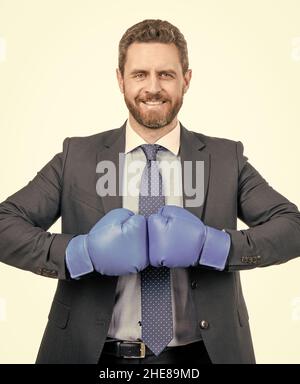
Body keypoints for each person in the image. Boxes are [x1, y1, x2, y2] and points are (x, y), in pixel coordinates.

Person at [0, 19, 300, 365]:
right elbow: (6, 224)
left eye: (166, 75)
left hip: (204, 355)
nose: (153, 88)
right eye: (140, 74)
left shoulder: (225, 158)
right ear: (120, 79)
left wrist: (213, 245)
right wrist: (81, 253)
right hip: (93, 353)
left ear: (186, 79)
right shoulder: (76, 157)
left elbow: (291, 227)